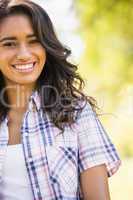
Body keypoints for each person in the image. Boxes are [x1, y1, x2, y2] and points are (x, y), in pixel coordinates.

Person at [0, 0, 121, 199]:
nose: (23, 54)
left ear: (47, 46)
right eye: (9, 44)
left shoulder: (76, 113)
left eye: (34, 41)